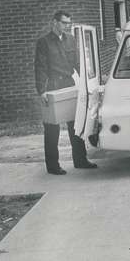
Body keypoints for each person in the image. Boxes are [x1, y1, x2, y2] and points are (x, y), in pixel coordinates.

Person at [34, 10, 97, 175]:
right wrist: (41, 91)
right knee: (52, 129)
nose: (67, 26)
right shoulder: (44, 42)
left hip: (69, 84)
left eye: (68, 23)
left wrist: (89, 80)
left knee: (75, 124)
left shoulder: (70, 39)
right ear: (54, 22)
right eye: (64, 23)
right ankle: (53, 166)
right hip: (53, 86)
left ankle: (80, 160)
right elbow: (39, 67)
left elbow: (77, 62)